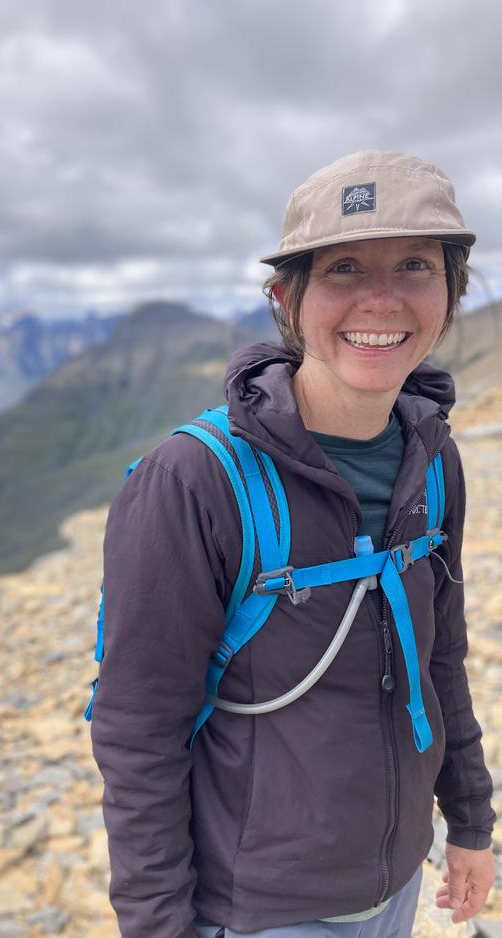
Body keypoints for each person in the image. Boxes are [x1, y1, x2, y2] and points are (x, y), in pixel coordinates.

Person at [89, 150, 496, 937]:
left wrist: (470, 824)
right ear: (288, 298)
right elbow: (137, 732)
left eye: (415, 265)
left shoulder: (432, 457)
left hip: (398, 882)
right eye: (344, 269)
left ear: (452, 294)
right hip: (257, 913)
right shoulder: (193, 481)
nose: (382, 300)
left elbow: (441, 655)